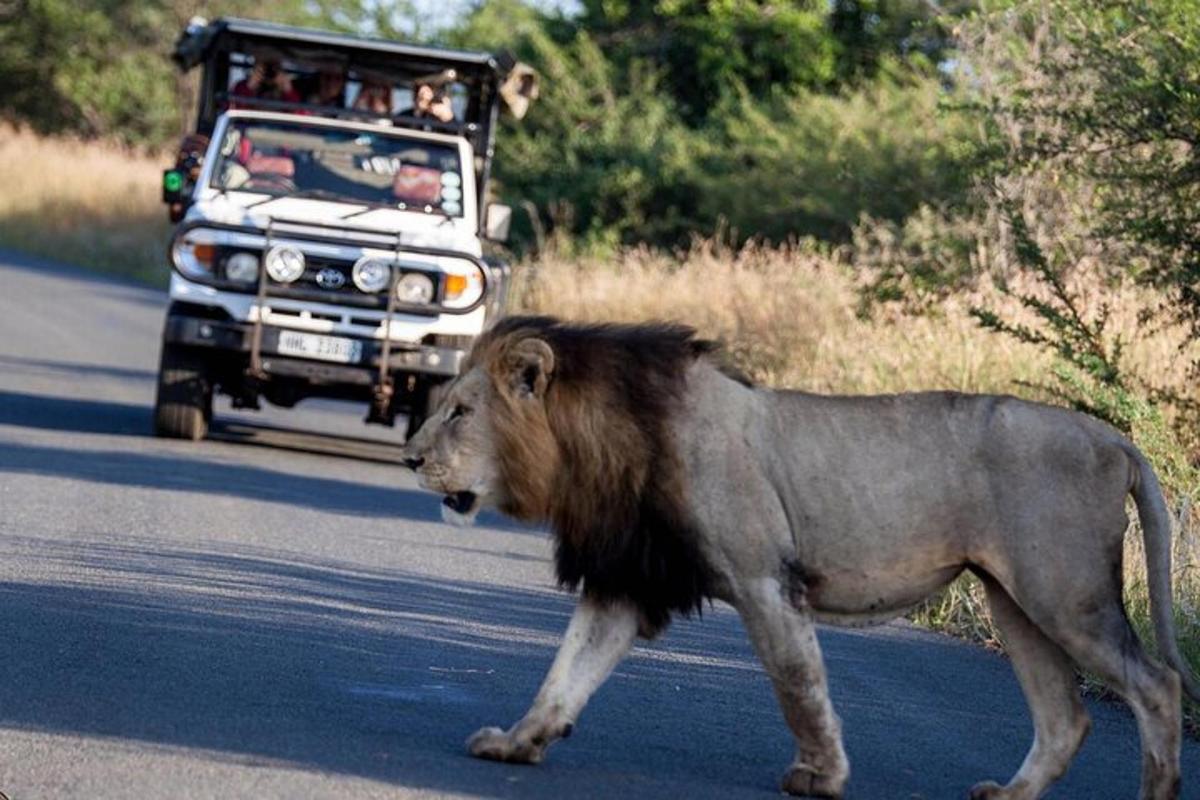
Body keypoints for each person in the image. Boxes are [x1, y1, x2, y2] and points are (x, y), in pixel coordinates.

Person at [232, 58, 300, 104]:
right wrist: (249, 86)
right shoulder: (241, 87)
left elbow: (300, 117)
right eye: (265, 69)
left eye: (274, 69)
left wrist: (288, 90)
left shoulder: (290, 91)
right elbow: (232, 110)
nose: (269, 73)